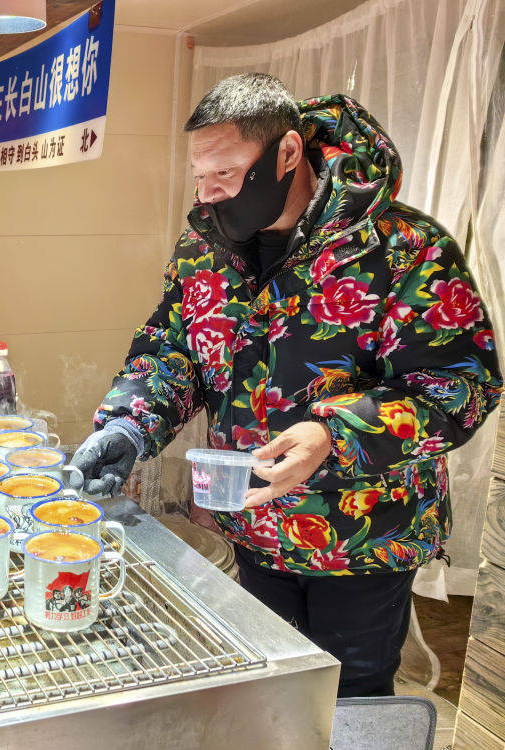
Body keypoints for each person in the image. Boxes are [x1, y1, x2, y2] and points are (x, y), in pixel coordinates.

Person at [72, 73, 502, 698]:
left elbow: (461, 387)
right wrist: (128, 423)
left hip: (364, 541)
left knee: (346, 705)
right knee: (271, 695)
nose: (209, 194)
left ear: (288, 154)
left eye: (225, 173)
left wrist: (336, 435)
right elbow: (175, 351)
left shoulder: (405, 249)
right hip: (252, 527)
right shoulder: (206, 249)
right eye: (199, 176)